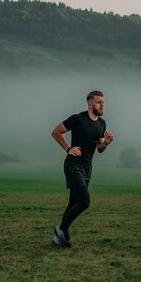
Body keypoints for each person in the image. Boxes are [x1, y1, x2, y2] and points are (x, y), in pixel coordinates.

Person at [50, 90, 114, 247]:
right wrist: (68, 148)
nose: (102, 105)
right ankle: (61, 229)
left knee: (73, 203)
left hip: (87, 167)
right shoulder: (77, 119)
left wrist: (106, 143)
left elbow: (99, 148)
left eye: (103, 102)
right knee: (84, 201)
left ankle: (58, 238)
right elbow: (56, 132)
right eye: (99, 102)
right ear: (90, 104)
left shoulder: (102, 123)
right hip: (73, 165)